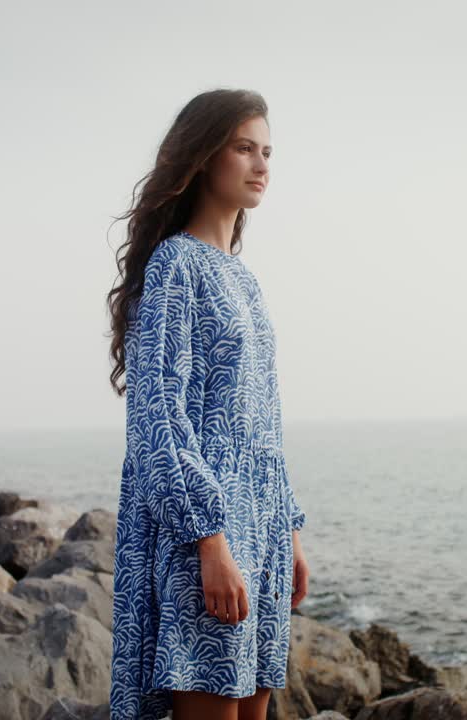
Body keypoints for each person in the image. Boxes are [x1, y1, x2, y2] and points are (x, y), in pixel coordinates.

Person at [104, 88, 310, 720]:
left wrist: (291, 530)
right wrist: (208, 540)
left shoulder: (243, 277)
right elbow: (158, 419)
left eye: (268, 151)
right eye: (244, 148)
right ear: (202, 156)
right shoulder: (176, 266)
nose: (261, 165)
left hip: (262, 532)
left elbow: (262, 422)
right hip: (208, 539)